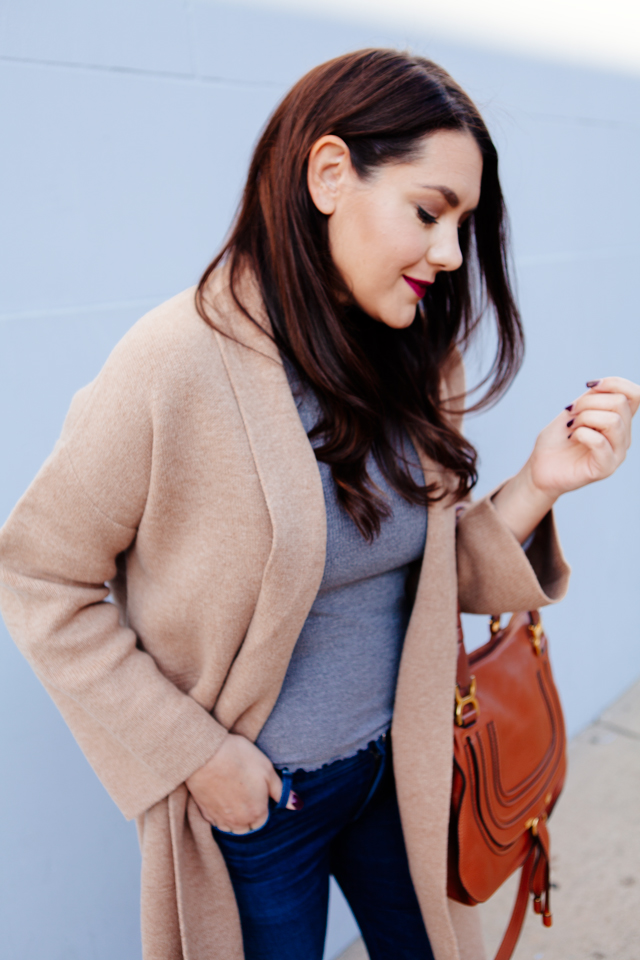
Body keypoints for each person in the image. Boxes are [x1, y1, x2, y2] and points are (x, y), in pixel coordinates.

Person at [0, 48, 637, 960]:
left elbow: (415, 586)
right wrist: (200, 758)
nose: (451, 255)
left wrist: (541, 483)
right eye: (430, 212)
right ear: (330, 173)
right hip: (262, 807)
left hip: (403, 772)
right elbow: (37, 573)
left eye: (465, 225)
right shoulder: (176, 361)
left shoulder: (420, 356)